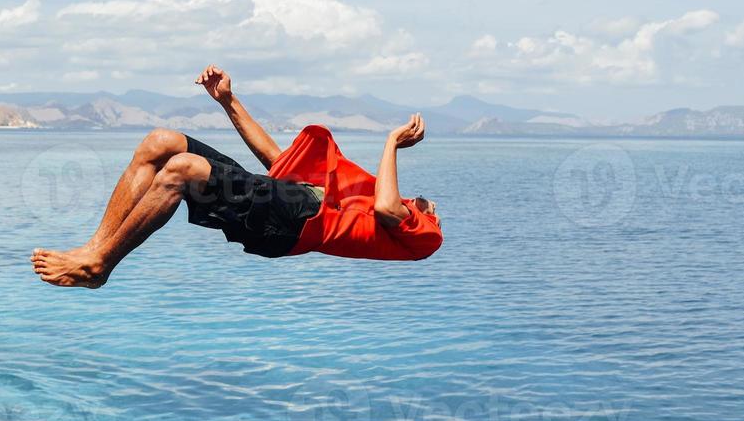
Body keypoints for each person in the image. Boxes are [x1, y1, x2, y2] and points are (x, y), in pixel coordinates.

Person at [32, 65, 443, 288]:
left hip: (296, 224)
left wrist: (390, 142)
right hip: (288, 199)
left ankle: (100, 265)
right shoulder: (361, 193)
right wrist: (228, 102)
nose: (433, 204)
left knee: (182, 170)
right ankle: (94, 248)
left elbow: (389, 208)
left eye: (433, 209)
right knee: (161, 142)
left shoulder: (425, 234)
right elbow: (277, 160)